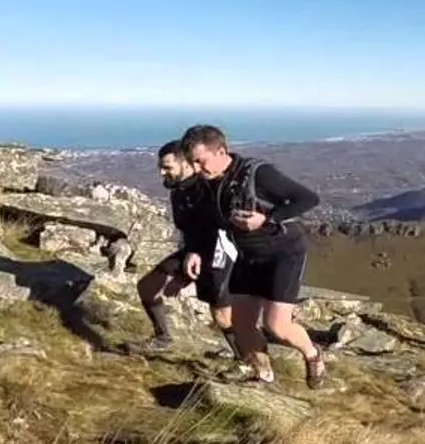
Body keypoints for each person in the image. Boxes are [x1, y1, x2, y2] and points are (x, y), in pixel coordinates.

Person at [179, 123, 329, 388]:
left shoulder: (257, 174)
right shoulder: (208, 185)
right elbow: (205, 222)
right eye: (193, 163)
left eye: (201, 162)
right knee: (241, 323)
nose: (198, 169)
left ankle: (313, 354)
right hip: (246, 254)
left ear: (221, 151)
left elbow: (307, 199)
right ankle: (262, 375)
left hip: (282, 252)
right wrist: (194, 250)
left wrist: (267, 220)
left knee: (277, 326)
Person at [135, 141, 238, 358]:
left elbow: (220, 229)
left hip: (220, 253)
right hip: (193, 250)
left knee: (221, 315)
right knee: (147, 287)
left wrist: (195, 266)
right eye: (161, 168)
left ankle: (246, 360)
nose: (163, 173)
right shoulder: (179, 192)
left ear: (188, 165)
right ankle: (163, 338)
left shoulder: (210, 188)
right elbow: (189, 229)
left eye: (168, 167)